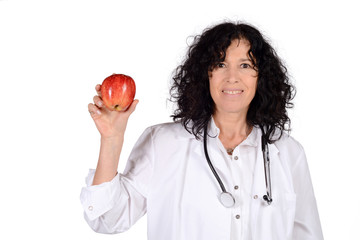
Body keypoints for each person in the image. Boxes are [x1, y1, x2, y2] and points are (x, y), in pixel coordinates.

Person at [81, 21, 323, 240]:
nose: (232, 77)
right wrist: (111, 138)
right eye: (220, 64)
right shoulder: (162, 142)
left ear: (261, 77)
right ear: (204, 74)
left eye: (245, 65)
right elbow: (106, 219)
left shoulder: (288, 152)